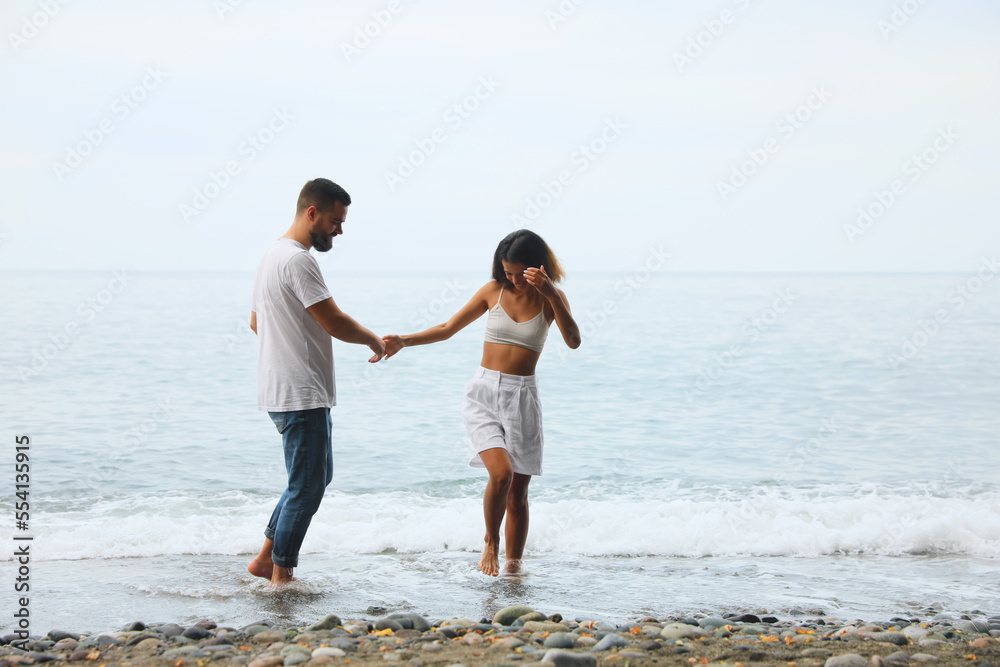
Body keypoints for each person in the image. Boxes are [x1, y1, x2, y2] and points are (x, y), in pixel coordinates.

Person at [382, 229, 581, 576]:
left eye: (521, 272)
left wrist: (550, 292)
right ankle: (490, 540)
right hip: (484, 394)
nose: (514, 279)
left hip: (522, 397)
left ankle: (514, 569)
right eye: (508, 272)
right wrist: (403, 340)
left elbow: (574, 340)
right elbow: (447, 328)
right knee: (501, 475)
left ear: (538, 268)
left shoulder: (551, 298)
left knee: (519, 492)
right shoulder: (494, 291)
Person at [246, 178, 385, 588]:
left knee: (312, 479)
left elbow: (257, 322)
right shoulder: (298, 260)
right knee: (307, 486)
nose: (339, 231)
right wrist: (373, 339)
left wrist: (287, 346)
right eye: (335, 221)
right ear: (312, 213)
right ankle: (281, 576)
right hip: (300, 391)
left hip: (282, 389)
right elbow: (334, 320)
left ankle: (264, 560)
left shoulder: (271, 256)